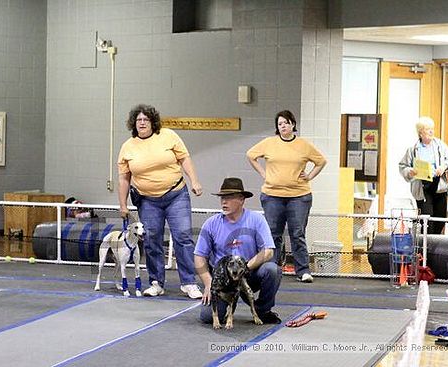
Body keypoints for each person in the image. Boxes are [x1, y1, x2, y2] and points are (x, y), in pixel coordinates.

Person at [117, 104, 203, 298]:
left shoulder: (168, 136)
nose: (142, 123)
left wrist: (195, 181)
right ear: (133, 123)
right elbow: (124, 178)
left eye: (146, 120)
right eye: (138, 120)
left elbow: (185, 159)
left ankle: (189, 283)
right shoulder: (127, 147)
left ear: (152, 122)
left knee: (183, 236)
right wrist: (122, 205)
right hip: (147, 200)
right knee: (151, 239)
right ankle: (156, 282)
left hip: (176, 194)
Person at [246, 110, 326, 283]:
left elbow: (321, 162)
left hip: (299, 196)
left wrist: (310, 176)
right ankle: (272, 270)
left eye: (286, 123)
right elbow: (251, 156)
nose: (283, 126)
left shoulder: (303, 145)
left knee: (297, 233)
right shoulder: (269, 143)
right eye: (280, 124)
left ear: (293, 125)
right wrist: (263, 173)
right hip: (272, 195)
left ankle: (303, 270)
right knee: (273, 233)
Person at [195, 177, 282, 324]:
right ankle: (226, 305)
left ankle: (262, 310)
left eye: (229, 198)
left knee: (272, 270)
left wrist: (244, 269)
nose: (224, 202)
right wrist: (209, 283)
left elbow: (268, 251)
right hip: (223, 279)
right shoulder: (211, 224)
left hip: (249, 273)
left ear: (241, 199)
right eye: (222, 198)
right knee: (207, 317)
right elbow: (199, 256)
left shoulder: (256, 220)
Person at [399, 116, 448, 234]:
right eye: (428, 129)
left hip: (439, 186)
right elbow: (402, 166)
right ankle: (427, 250)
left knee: (440, 220)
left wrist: (444, 166)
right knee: (427, 222)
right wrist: (410, 171)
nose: (431, 131)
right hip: (422, 187)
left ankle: (435, 248)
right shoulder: (413, 149)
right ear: (420, 132)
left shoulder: (440, 145)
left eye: (432, 129)